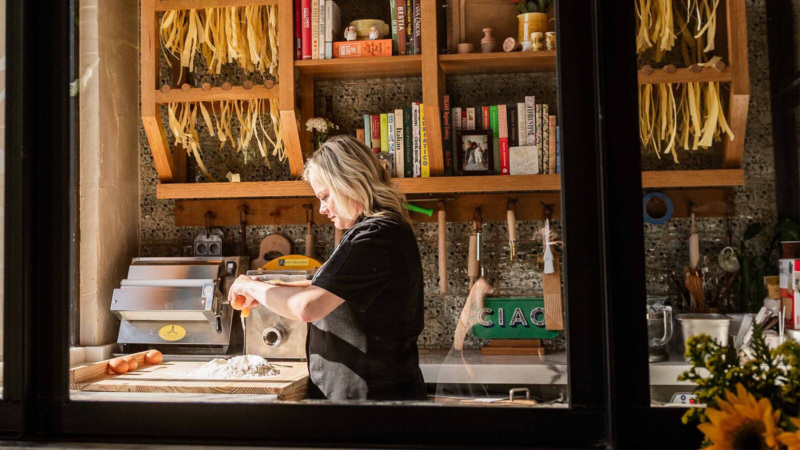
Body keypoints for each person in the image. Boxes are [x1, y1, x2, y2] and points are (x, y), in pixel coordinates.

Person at [227, 135, 427, 402]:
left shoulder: (375, 236)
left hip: (375, 408)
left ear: (349, 183)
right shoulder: (375, 231)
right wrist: (269, 289)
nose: (321, 209)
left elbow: (307, 306)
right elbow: (325, 289)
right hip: (363, 401)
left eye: (324, 196)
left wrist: (251, 285)